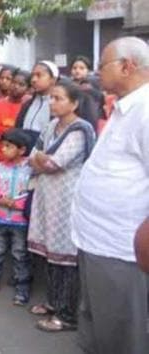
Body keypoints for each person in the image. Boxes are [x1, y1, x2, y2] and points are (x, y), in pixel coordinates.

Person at [72, 36, 149, 354]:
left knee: (122, 333)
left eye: (102, 65)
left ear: (127, 66)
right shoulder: (125, 108)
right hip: (96, 242)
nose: (96, 72)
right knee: (98, 326)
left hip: (122, 249)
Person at [27, 82, 96, 332]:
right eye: (51, 98)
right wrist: (39, 159)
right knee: (50, 252)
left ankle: (67, 315)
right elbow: (32, 156)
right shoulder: (50, 126)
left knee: (65, 256)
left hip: (67, 200)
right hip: (47, 196)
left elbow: (54, 163)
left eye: (58, 98)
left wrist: (41, 159)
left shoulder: (80, 129)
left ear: (74, 103)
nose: (52, 102)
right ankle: (53, 302)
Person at [0, 128, 32, 305]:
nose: (3, 150)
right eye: (2, 146)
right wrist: (0, 199)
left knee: (20, 254)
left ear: (22, 150)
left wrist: (18, 203)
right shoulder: (0, 166)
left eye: (8, 146)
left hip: (20, 221)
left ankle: (22, 288)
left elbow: (32, 191)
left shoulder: (30, 168)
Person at [15, 61, 59, 148]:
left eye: (39, 75)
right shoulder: (27, 104)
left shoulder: (58, 105)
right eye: (33, 76)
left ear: (53, 80)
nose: (33, 80)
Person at [0, 69, 31, 160]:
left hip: (18, 159)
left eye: (21, 85)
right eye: (14, 82)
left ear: (28, 89)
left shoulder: (29, 107)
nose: (16, 86)